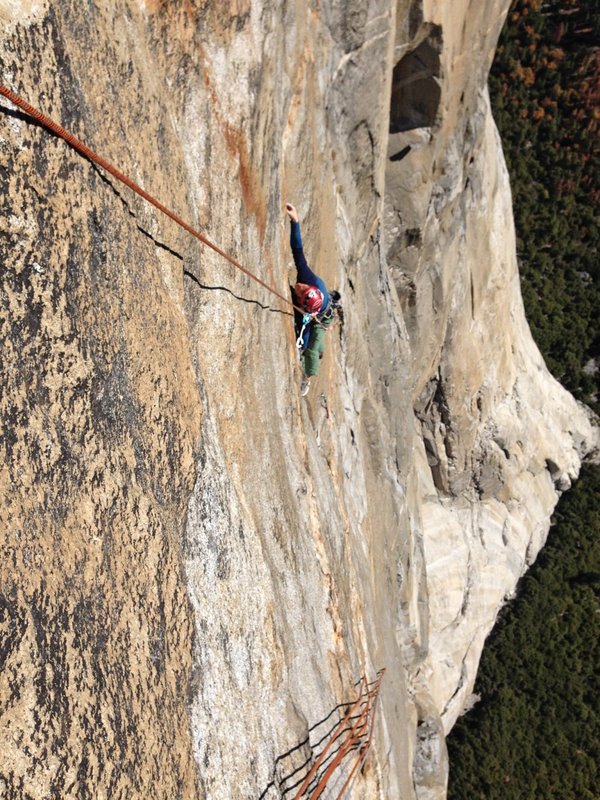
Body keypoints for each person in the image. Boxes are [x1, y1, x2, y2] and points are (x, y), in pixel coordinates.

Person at [285, 202, 342, 396]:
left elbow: (305, 331)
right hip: (320, 304)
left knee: (312, 348)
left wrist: (299, 345)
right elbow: (297, 250)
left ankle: (307, 378)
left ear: (302, 304)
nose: (298, 287)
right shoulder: (308, 278)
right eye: (302, 289)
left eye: (299, 293)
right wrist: (295, 221)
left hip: (323, 318)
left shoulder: (310, 313)